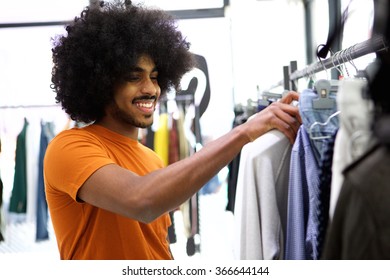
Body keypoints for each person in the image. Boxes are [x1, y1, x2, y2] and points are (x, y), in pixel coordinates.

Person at [44, 0, 301, 260]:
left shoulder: (152, 160)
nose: (151, 89)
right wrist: (243, 133)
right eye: (135, 77)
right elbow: (141, 200)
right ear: (101, 83)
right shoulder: (68, 148)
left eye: (154, 77)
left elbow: (157, 248)